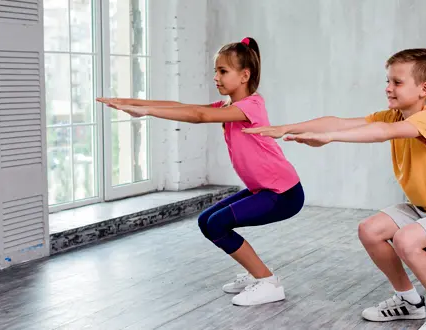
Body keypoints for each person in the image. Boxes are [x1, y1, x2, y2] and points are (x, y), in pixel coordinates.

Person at [244, 48, 426, 330]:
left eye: (397, 82)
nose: (388, 88)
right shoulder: (394, 116)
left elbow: (381, 133)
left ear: (424, 89)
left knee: (406, 240)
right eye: (388, 81)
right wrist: (286, 128)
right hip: (425, 209)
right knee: (370, 230)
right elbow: (339, 121)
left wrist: (330, 138)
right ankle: (409, 302)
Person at [96, 37, 305, 307]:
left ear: (245, 75)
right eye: (215, 71)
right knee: (207, 221)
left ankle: (268, 282)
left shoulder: (251, 106)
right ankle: (258, 275)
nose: (216, 77)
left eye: (223, 71)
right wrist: (131, 103)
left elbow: (198, 116)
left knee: (218, 224)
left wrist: (146, 110)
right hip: (264, 190)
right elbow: (182, 106)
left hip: (283, 193)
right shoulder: (228, 107)